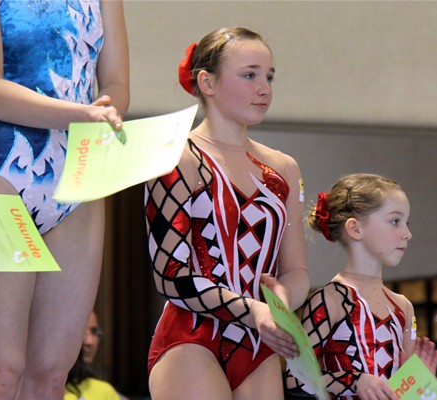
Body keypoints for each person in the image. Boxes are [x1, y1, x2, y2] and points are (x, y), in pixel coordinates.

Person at [0, 1, 129, 399]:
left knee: (52, 375)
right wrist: (81, 115)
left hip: (78, 177)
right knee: (0, 374)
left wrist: (107, 107)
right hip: (3, 172)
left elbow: (116, 83)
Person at [144, 27, 310, 400]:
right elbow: (170, 276)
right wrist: (253, 309)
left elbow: (297, 270)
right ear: (207, 82)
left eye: (269, 77)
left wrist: (282, 301)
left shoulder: (284, 168)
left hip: (258, 340)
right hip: (192, 334)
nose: (264, 89)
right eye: (249, 75)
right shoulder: (177, 157)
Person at [285, 173, 437, 400]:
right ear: (355, 229)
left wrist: (421, 384)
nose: (407, 234)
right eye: (395, 221)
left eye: (407, 223)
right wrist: (354, 381)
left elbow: (404, 395)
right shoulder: (331, 300)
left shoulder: (403, 306)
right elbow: (295, 378)